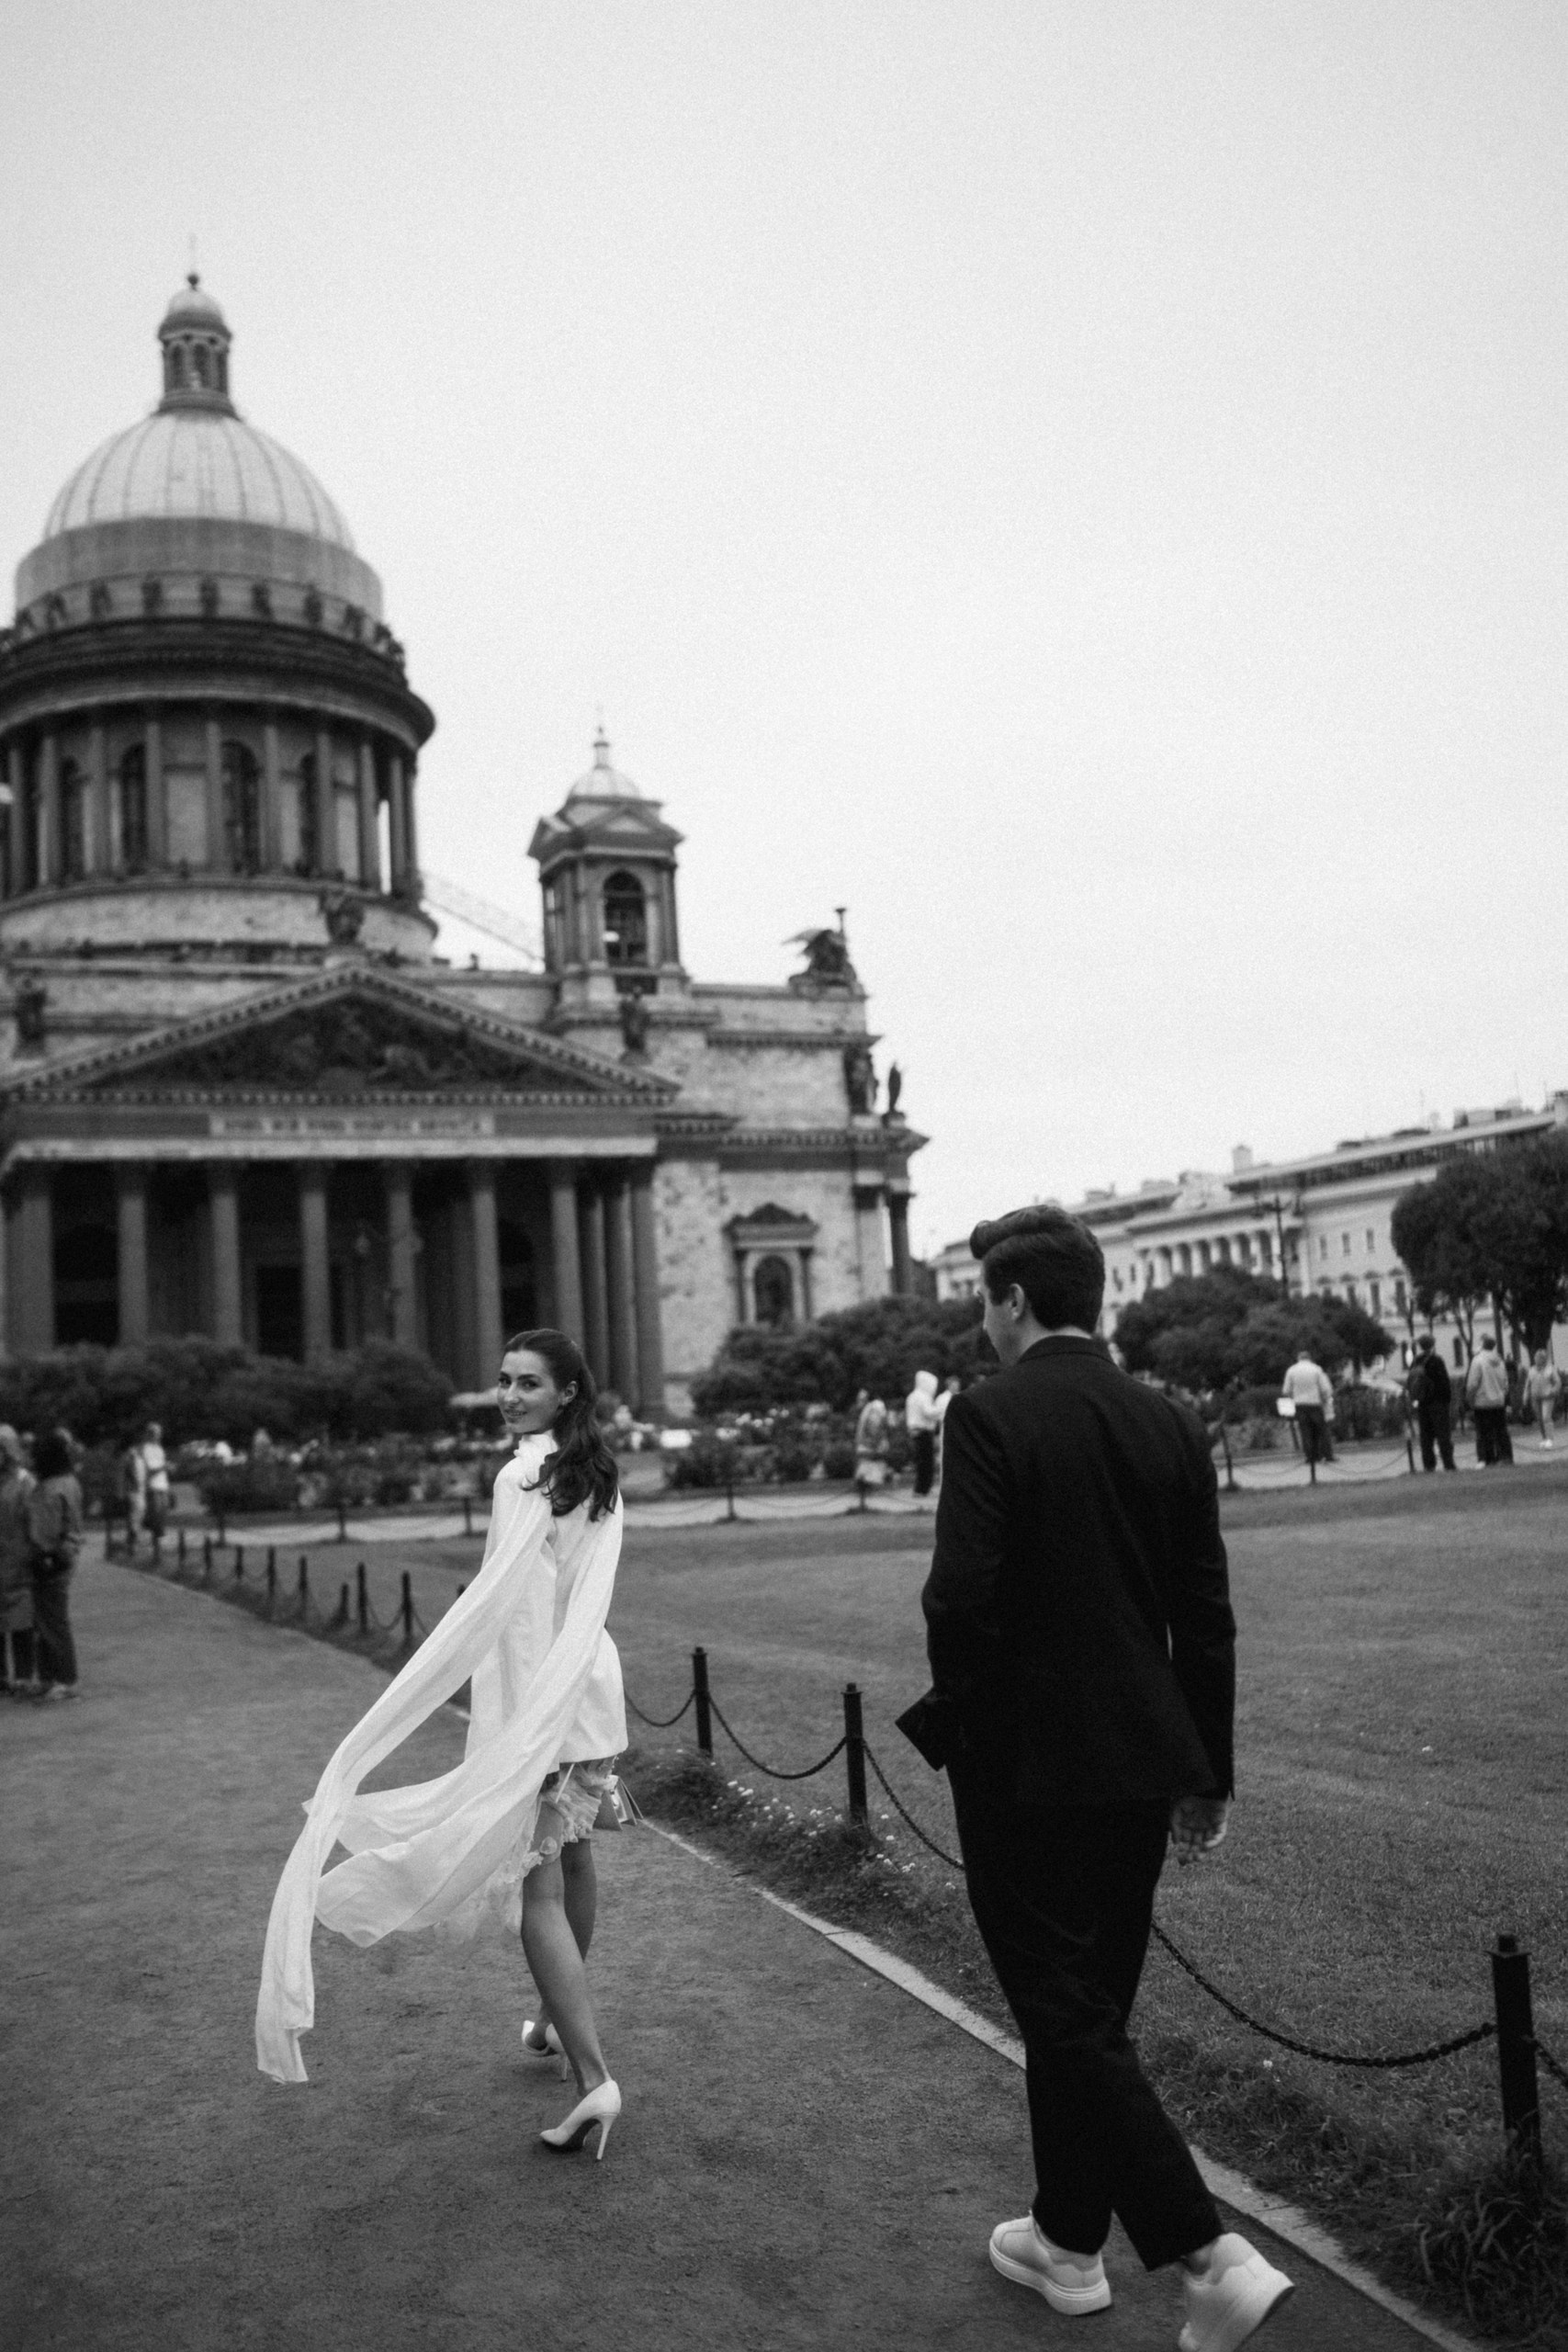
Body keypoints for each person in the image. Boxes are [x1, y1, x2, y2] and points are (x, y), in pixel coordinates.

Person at [912, 1205, 1292, 2347]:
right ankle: (1069, 2240)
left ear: (1015, 1300)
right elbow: (1205, 1617)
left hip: (1024, 1762)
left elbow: (958, 1598)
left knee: (1062, 2009)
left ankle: (1208, 2253)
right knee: (1090, 2012)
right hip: (1144, 1754)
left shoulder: (987, 1413)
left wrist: (964, 1719)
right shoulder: (1169, 1419)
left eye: (984, 1300)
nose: (981, 1322)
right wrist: (1208, 1771)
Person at [257, 1329, 627, 2164]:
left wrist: (503, 1723)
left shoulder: (521, 1475)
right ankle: (553, 2023)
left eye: (528, 1383)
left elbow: (505, 1612)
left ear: (566, 1392)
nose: (508, 1396)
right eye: (503, 1380)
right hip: (591, 1691)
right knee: (572, 1862)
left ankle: (593, 2077)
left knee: (536, 1891)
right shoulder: (595, 1469)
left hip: (547, 1700)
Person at [28, 1428, 84, 1701]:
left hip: (51, 1557)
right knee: (45, 1620)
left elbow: (48, 1529)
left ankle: (64, 1679)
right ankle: (48, 1677)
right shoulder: (66, 1481)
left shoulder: (52, 1487)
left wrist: (44, 1554)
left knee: (52, 1621)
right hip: (59, 1554)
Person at [0, 1426, 37, 1694]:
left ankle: (23, 1676)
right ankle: (1, 1676)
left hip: (20, 1561)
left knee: (22, 1623)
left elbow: (33, 1522)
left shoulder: (25, 1482)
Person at [1279, 1349, 1336, 1466]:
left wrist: (1293, 1397)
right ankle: (1326, 1455)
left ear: (1298, 1358)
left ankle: (1310, 1457)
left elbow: (1286, 1390)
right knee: (1321, 1430)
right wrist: (1326, 1399)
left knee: (1305, 1431)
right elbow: (1325, 1388)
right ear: (1310, 1358)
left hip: (1300, 1405)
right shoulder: (1316, 1369)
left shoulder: (1291, 1370)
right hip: (1315, 1403)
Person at [1407, 1337, 1456, 1473]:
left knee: (1426, 1436)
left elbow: (1410, 1381)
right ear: (1432, 1345)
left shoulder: (1415, 1361)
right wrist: (1447, 1399)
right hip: (1438, 1402)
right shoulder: (1436, 1360)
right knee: (1443, 1434)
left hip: (1422, 1402)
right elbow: (1444, 1382)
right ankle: (1448, 1463)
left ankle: (1429, 1465)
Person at [1465, 1336, 1514, 1466]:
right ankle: (1505, 1457)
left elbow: (1473, 1383)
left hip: (1482, 1402)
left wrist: (1470, 1399)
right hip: (1498, 1401)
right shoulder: (1500, 1361)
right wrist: (1502, 1396)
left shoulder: (1478, 1360)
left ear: (1482, 1345)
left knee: (1483, 1433)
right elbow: (1505, 1383)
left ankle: (1487, 1459)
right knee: (1501, 1431)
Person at [905, 1370, 940, 1498]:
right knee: (926, 1462)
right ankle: (922, 1489)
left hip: (915, 1431)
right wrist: (941, 1409)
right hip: (923, 1432)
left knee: (921, 1461)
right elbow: (928, 1412)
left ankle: (922, 1488)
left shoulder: (912, 1396)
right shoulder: (923, 1397)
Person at [137, 1422, 171, 1546]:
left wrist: (167, 1468)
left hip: (162, 1484)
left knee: (163, 1510)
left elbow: (161, 1466)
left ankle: (156, 1534)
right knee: (156, 1511)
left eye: (159, 1433)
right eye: (156, 1433)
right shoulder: (146, 1449)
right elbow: (148, 1470)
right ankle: (157, 1537)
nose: (159, 1436)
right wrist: (164, 1467)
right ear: (150, 1434)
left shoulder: (159, 1449)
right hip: (152, 1484)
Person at [852, 1394, 890, 1498]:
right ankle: (867, 1489)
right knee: (869, 1466)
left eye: (861, 1399)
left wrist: (872, 1442)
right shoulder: (871, 1409)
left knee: (868, 1466)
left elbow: (874, 1427)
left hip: (869, 1445)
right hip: (869, 1445)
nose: (858, 1402)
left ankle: (867, 1490)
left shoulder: (872, 1409)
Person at [1525, 1349, 1560, 1448]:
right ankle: (1544, 1438)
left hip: (1547, 1397)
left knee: (1546, 1417)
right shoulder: (1532, 1370)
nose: (1536, 1359)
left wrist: (1553, 1391)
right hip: (1535, 1398)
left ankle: (1550, 1439)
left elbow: (1557, 1382)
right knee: (1539, 1419)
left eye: (1538, 1357)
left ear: (1543, 1359)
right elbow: (1528, 1384)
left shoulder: (1550, 1369)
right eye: (1535, 1357)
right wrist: (1525, 1395)